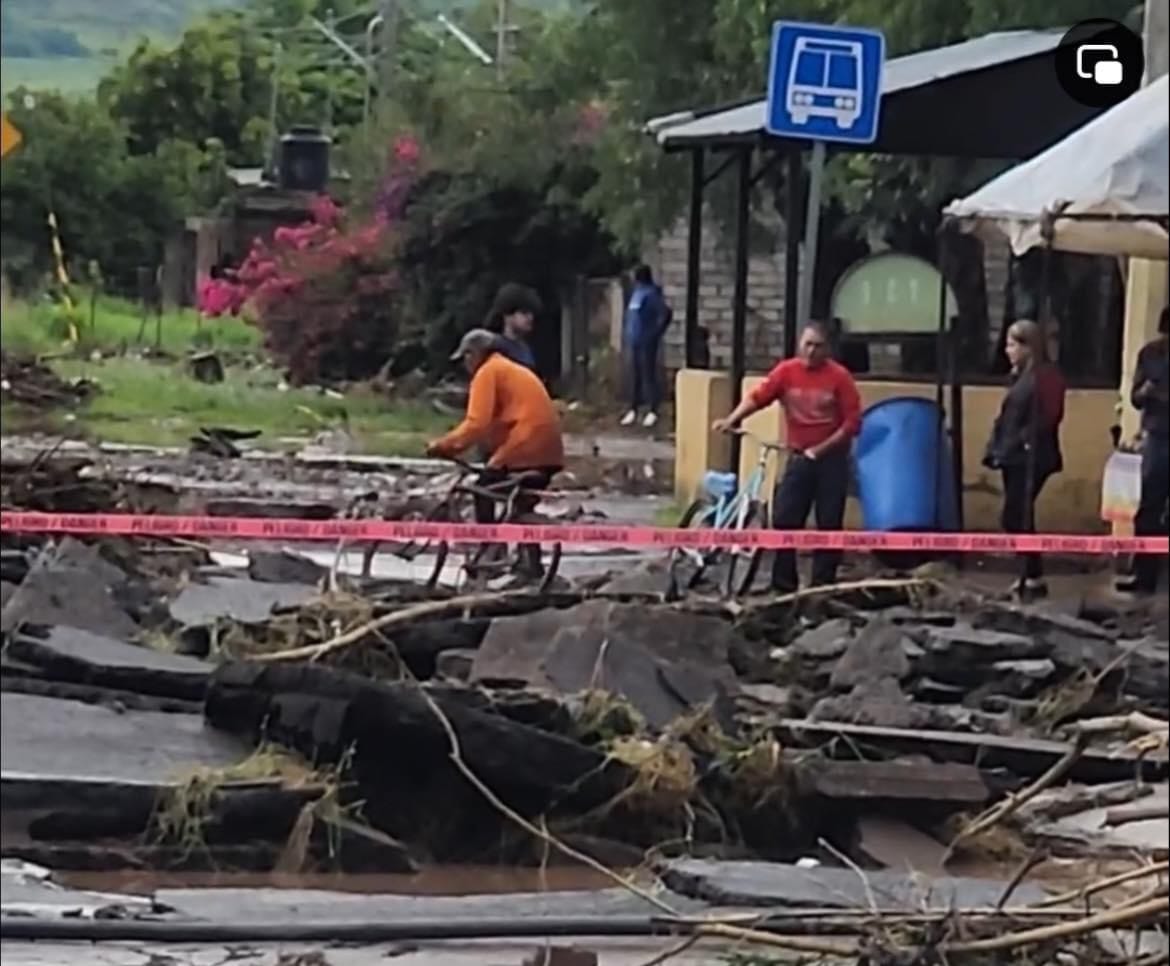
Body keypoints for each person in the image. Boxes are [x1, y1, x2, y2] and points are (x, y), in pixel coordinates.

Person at [712, 322, 862, 593]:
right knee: (784, 519)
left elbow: (852, 424)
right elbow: (758, 397)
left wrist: (821, 449)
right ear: (798, 345)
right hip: (798, 456)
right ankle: (783, 584)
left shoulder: (840, 377)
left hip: (831, 460)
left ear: (827, 349)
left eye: (818, 346)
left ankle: (822, 586)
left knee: (828, 523)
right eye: (807, 344)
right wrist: (731, 419)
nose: (812, 351)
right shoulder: (786, 372)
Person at [427, 329, 564, 573]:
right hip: (549, 451)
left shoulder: (487, 372)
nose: (465, 365)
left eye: (465, 358)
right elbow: (500, 422)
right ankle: (531, 569)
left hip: (525, 446)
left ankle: (491, 550)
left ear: (475, 354)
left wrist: (443, 445)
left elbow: (476, 423)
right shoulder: (509, 369)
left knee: (483, 490)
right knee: (520, 506)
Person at [983, 319, 1067, 598]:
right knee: (1019, 514)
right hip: (1012, 454)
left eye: (1012, 344)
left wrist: (1025, 439)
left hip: (1032, 455)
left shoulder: (1047, 377)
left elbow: (1049, 415)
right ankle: (1031, 574)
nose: (1007, 350)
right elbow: (1006, 417)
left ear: (1029, 347)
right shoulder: (1019, 377)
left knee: (1015, 513)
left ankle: (1032, 574)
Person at [1126, 306, 1169, 595]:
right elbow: (1135, 396)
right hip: (1158, 436)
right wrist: (1147, 392)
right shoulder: (1151, 354)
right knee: (1149, 508)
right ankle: (1143, 576)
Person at [621, 265, 672, 429]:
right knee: (635, 376)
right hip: (634, 341)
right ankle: (633, 409)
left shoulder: (651, 294)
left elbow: (665, 313)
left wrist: (655, 333)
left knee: (648, 375)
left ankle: (653, 410)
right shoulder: (637, 293)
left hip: (646, 341)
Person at [485, 283, 541, 373]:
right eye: (524, 312)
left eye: (531, 313)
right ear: (507, 315)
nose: (530, 317)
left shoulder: (525, 349)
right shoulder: (495, 347)